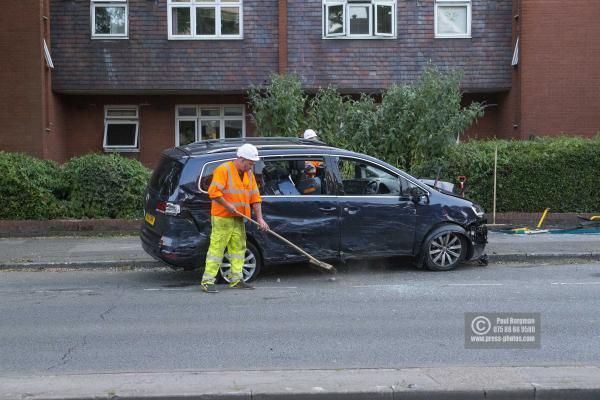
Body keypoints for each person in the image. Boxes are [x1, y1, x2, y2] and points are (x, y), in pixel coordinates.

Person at [200, 143, 269, 293]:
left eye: (253, 164)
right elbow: (213, 192)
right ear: (242, 159)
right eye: (250, 163)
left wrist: (260, 218)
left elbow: (255, 197)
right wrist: (227, 205)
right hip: (222, 217)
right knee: (217, 249)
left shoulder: (248, 174)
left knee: (238, 248)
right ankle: (207, 281)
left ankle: (236, 279)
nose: (251, 167)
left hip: (239, 218)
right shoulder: (223, 170)